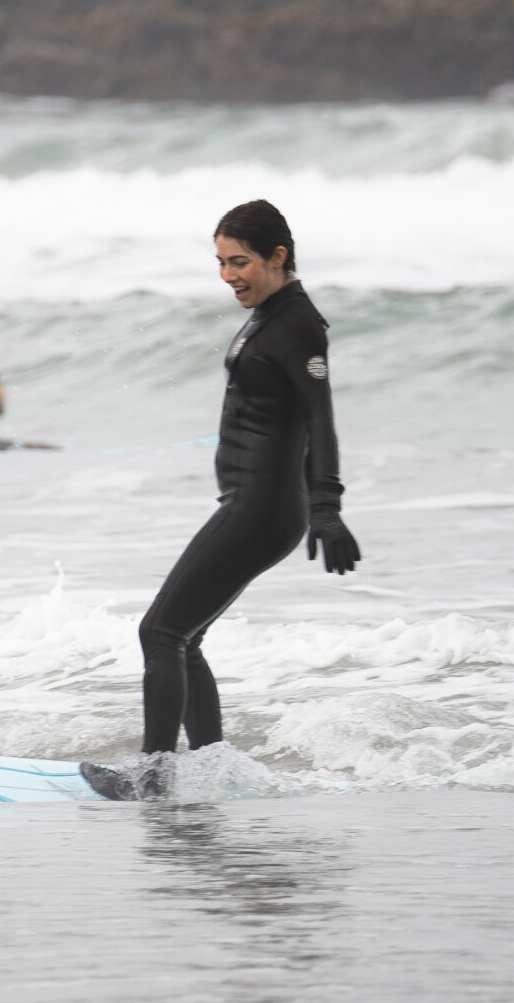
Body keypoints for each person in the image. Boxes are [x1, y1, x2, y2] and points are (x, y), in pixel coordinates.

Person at [83, 200, 359, 801]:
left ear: (277, 256)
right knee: (183, 639)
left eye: (240, 262)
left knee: (159, 633)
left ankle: (152, 777)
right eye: (221, 262)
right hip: (254, 502)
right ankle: (212, 769)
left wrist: (327, 505)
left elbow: (320, 417)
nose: (228, 275)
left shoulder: (296, 324)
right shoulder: (270, 315)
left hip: (262, 506)